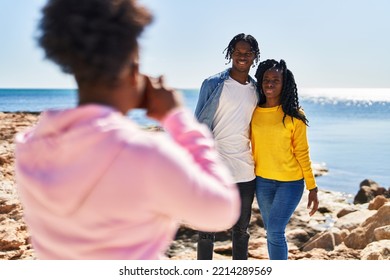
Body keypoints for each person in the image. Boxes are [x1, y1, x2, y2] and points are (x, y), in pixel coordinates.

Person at [14, 0, 241, 260]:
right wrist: (178, 120)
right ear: (134, 72)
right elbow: (222, 211)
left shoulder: (30, 145)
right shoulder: (146, 154)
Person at [194, 33, 260, 260]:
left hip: (245, 170)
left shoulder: (257, 90)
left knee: (241, 232)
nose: (242, 56)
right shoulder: (212, 84)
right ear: (231, 53)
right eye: (238, 52)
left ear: (254, 57)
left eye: (247, 53)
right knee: (206, 231)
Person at [251, 59, 319, 260]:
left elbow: (302, 152)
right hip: (262, 181)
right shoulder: (253, 111)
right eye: (266, 79)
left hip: (290, 183)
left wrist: (312, 187)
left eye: (276, 80)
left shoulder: (294, 115)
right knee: (271, 232)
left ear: (284, 83)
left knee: (275, 231)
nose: (270, 83)